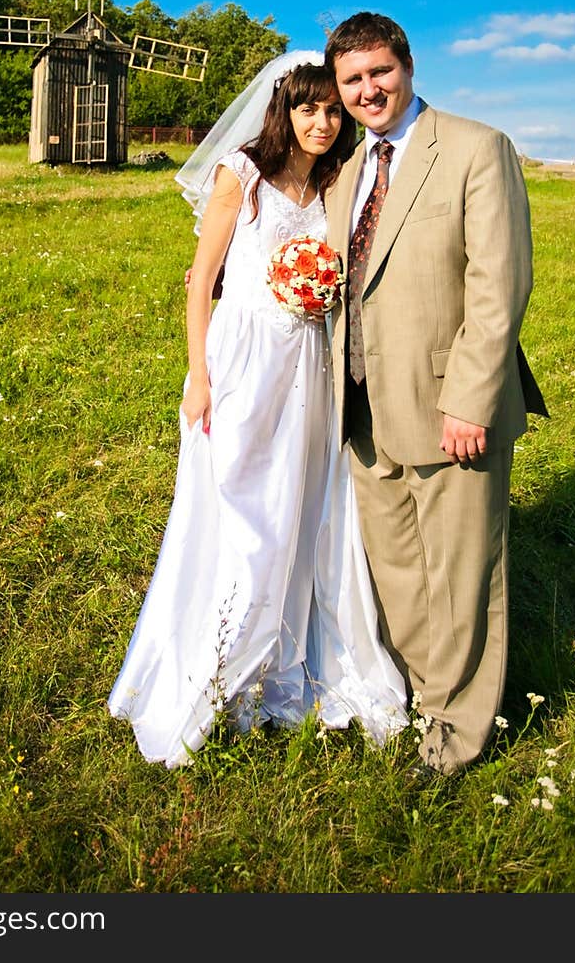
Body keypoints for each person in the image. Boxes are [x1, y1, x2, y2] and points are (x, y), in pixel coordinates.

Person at [108, 52, 409, 768]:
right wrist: (199, 375)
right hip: (243, 360)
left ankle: (291, 661)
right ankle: (222, 671)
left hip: (308, 365)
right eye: (308, 108)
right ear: (282, 109)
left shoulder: (336, 181)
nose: (322, 121)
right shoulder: (239, 175)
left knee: (305, 506)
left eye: (332, 110)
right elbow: (200, 282)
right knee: (245, 511)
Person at [323, 12, 548, 783]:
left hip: (450, 408)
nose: (367, 90)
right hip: (361, 408)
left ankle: (458, 737)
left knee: (462, 576)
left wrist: (469, 400)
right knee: (399, 572)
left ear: (409, 66)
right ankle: (428, 698)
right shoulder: (350, 171)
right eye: (352, 79)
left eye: (379, 72)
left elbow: (499, 285)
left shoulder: (477, 149)